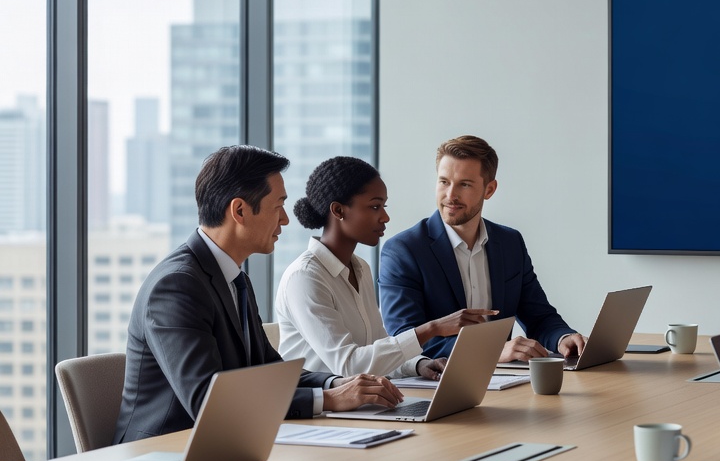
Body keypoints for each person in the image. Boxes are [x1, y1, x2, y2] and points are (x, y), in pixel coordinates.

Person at [113, 146, 406, 444]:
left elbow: (269, 370)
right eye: (278, 205)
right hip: (165, 452)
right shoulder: (176, 286)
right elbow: (207, 400)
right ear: (239, 210)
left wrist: (340, 383)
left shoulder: (235, 278)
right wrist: (328, 399)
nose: (285, 220)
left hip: (227, 445)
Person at [275, 156, 496, 380]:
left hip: (362, 403)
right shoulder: (305, 277)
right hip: (319, 408)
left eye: (384, 206)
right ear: (339, 211)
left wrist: (418, 365)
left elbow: (377, 348)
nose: (385, 216)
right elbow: (349, 364)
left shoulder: (360, 268)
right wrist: (432, 328)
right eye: (374, 206)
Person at [380, 135, 586, 362]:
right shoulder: (403, 251)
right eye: (444, 182)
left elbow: (538, 315)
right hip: (438, 384)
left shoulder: (510, 243)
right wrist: (492, 352)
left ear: (489, 189)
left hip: (505, 379)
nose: (450, 195)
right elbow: (404, 339)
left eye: (464, 184)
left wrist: (562, 337)